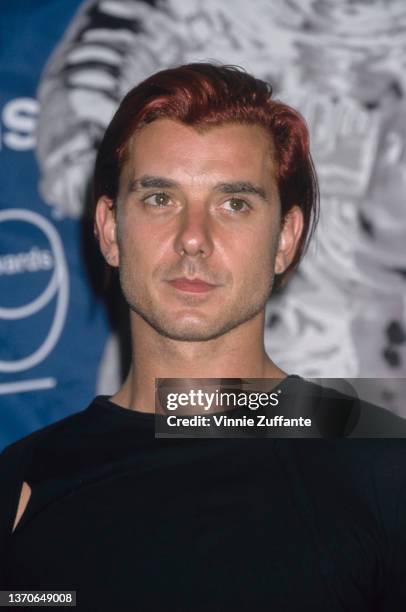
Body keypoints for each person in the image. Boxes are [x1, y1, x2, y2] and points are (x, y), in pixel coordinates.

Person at [1, 63, 405, 611]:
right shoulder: (22, 483)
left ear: (285, 239)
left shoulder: (382, 461)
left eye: (234, 203)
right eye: (159, 199)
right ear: (108, 230)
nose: (193, 238)